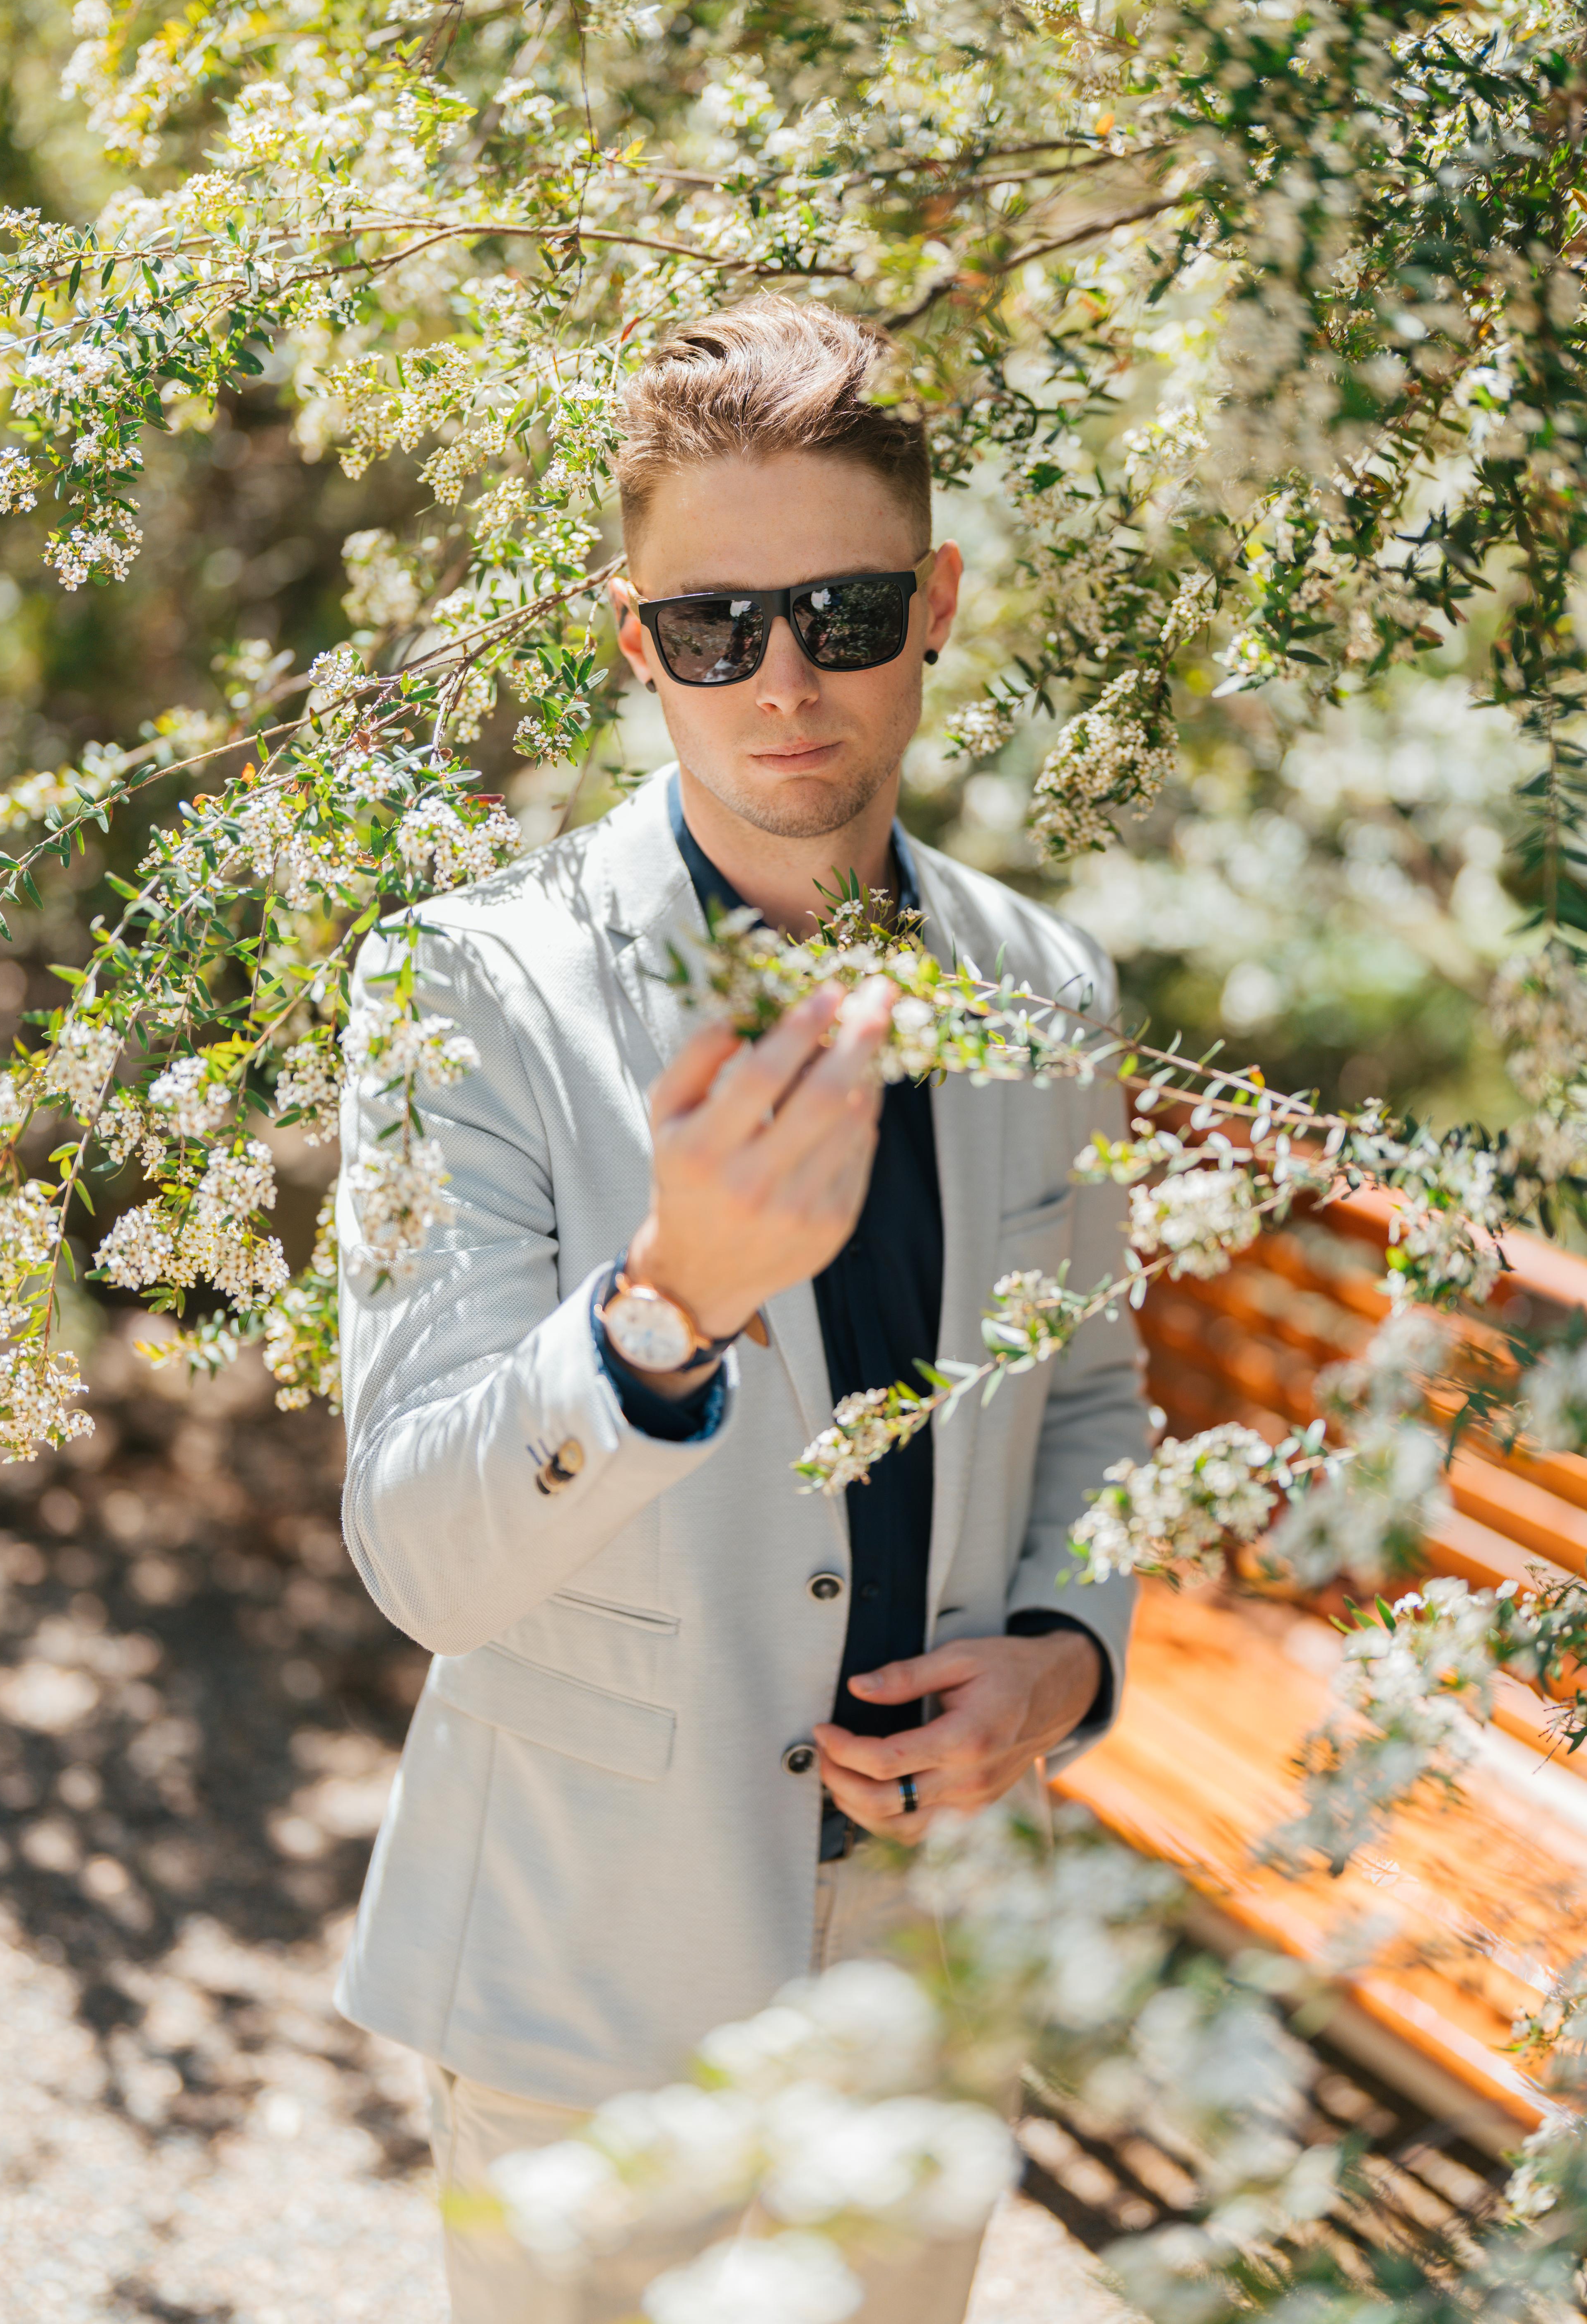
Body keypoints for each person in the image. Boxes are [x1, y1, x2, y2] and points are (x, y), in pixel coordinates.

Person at [334, 295, 1151, 2323]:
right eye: (715, 629)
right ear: (639, 643)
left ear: (937, 600)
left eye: (845, 612)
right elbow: (422, 1554)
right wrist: (665, 1309)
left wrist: (1062, 1660)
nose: (782, 681)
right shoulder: (463, 992)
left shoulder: (1047, 985)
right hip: (580, 1969)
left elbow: (1097, 1402)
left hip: (924, 1967)